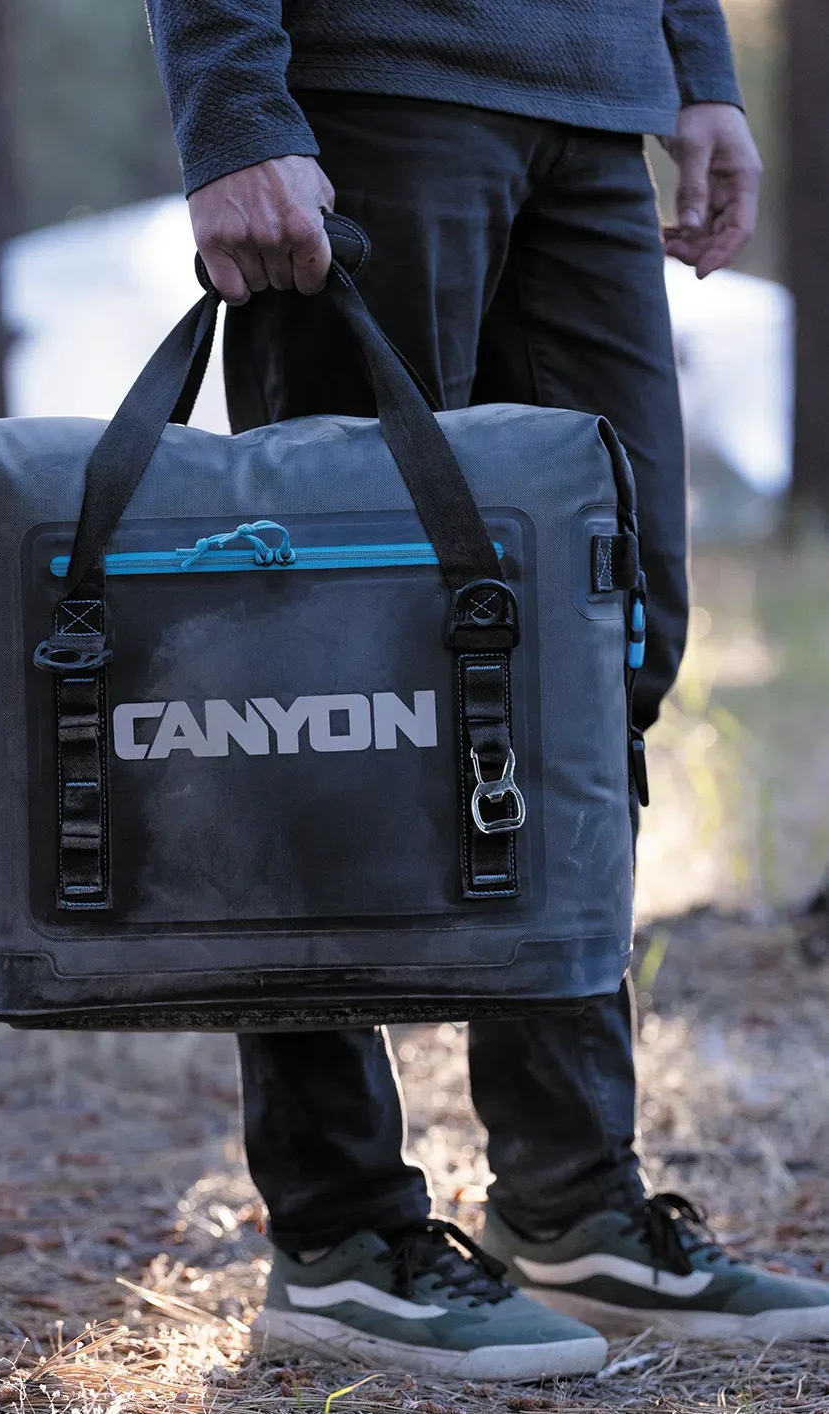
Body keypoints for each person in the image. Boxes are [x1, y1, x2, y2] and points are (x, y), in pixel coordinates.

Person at [145, 0, 829, 1379]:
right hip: (374, 90)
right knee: (331, 660)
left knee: (605, 642)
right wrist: (235, 111)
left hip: (594, 105)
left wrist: (694, 66)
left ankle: (573, 1200)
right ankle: (340, 1230)